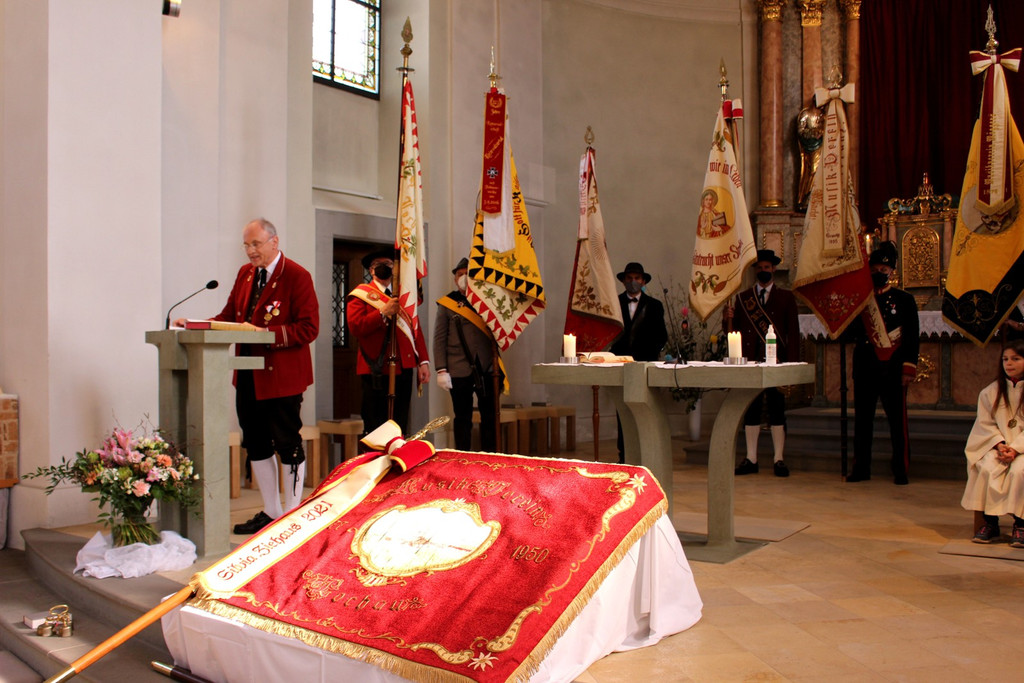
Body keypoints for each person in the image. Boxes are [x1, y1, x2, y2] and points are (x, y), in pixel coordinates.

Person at [176, 218, 319, 536]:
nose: (250, 251)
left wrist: (265, 333)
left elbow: (309, 328)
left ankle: (293, 515)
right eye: (246, 244)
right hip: (247, 374)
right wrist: (198, 324)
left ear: (274, 242)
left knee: (286, 441)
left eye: (256, 244)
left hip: (282, 376)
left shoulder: (296, 276)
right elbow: (229, 316)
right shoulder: (245, 274)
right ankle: (271, 511)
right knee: (254, 442)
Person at [845, 241, 919, 485]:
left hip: (894, 369)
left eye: (883, 270)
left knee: (898, 423)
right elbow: (851, 333)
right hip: (866, 368)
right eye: (874, 269)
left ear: (891, 271)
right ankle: (861, 468)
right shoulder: (861, 300)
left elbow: (912, 336)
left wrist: (909, 368)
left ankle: (901, 469)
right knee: (863, 422)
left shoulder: (904, 300)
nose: (879, 273)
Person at [725, 249, 800, 477]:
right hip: (751, 362)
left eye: (767, 267)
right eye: (759, 268)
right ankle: (751, 458)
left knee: (777, 410)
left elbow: (793, 334)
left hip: (776, 363)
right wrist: (726, 319)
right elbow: (733, 332)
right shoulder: (743, 298)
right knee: (752, 411)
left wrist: (792, 365)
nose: (763, 271)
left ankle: (778, 459)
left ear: (774, 269)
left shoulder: (786, 297)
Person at [347, 248, 430, 438]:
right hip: (375, 368)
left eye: (389, 265)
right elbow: (356, 326)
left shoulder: (403, 296)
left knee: (399, 422)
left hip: (403, 366)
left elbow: (414, 328)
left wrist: (423, 361)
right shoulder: (360, 295)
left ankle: (397, 460)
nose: (384, 269)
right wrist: (382, 312)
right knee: (376, 423)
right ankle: (376, 463)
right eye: (379, 266)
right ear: (371, 270)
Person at [433, 257, 503, 452]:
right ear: (455, 279)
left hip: (488, 367)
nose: (464, 278)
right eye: (460, 274)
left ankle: (491, 456)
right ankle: (463, 457)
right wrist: (441, 369)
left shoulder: (487, 301)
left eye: (468, 274)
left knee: (489, 415)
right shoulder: (448, 303)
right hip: (458, 368)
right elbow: (439, 338)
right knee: (462, 417)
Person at [962, 340, 1024, 546]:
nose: (1009, 363)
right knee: (986, 467)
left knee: (1019, 472)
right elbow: (984, 423)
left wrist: (1015, 449)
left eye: (1016, 358)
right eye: (1005, 359)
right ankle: (990, 524)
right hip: (999, 446)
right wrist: (999, 444)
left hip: (1021, 449)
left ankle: (1021, 524)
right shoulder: (991, 391)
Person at [611, 261, 668, 463]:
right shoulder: (614, 303)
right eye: (629, 278)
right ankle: (624, 455)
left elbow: (662, 336)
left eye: (637, 278)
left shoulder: (655, 306)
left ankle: (647, 454)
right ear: (624, 281)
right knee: (623, 412)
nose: (633, 282)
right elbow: (610, 334)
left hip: (646, 367)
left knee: (646, 410)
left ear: (643, 281)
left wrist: (648, 354)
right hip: (622, 367)